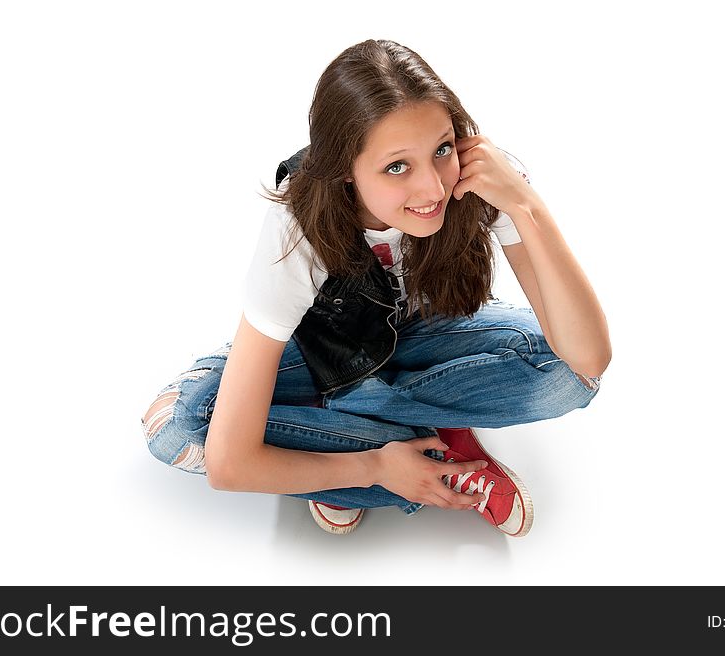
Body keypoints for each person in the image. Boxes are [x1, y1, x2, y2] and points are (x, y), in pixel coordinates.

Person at [140, 39, 611, 537]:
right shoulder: (296, 227)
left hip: (424, 332)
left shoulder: (481, 179)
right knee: (177, 428)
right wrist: (374, 468)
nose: (432, 188)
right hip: (323, 354)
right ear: (345, 168)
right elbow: (229, 466)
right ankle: (416, 448)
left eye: (442, 149)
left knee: (569, 374)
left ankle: (345, 433)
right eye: (396, 167)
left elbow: (590, 357)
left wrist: (527, 205)